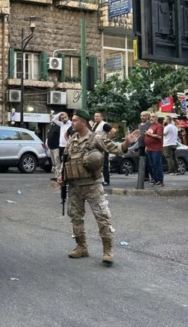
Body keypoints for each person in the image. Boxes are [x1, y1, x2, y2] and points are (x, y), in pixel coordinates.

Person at [57, 109, 140, 265]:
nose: (72, 123)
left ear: (83, 122)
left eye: (74, 120)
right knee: (75, 218)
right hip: (74, 186)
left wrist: (127, 142)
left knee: (102, 217)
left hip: (92, 185)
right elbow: (65, 160)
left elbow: (115, 148)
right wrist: (61, 176)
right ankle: (81, 247)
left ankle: (107, 251)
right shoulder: (72, 139)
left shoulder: (96, 138)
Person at [92, 112, 114, 186]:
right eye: (95, 116)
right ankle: (99, 179)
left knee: (104, 164)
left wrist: (108, 139)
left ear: (101, 117)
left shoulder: (104, 124)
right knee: (97, 164)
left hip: (103, 146)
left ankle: (106, 180)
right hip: (96, 146)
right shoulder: (95, 125)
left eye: (98, 116)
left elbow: (113, 131)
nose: (96, 117)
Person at [144, 112, 165, 186]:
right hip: (149, 148)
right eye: (150, 117)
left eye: (153, 117)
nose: (151, 118)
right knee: (152, 165)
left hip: (156, 149)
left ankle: (160, 180)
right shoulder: (151, 126)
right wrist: (147, 146)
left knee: (157, 164)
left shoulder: (159, 126)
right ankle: (154, 179)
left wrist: (149, 134)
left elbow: (159, 136)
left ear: (156, 118)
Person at [137, 111, 152, 182]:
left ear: (147, 116)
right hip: (140, 145)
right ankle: (145, 176)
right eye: (141, 115)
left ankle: (151, 176)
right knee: (142, 161)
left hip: (148, 146)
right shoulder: (139, 125)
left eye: (144, 116)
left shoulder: (150, 124)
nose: (142, 117)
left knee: (149, 162)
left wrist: (148, 145)